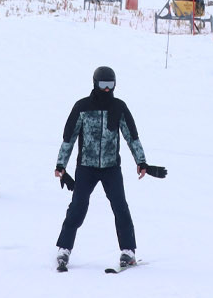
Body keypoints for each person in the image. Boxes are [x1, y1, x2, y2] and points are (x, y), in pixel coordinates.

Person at [54, 66, 149, 273]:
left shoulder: (119, 107)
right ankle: (64, 249)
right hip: (86, 168)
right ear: (95, 83)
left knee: (120, 207)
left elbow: (131, 136)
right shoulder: (82, 107)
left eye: (110, 85)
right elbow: (69, 137)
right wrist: (61, 164)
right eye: (103, 85)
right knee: (78, 207)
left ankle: (128, 250)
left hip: (111, 168)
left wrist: (141, 161)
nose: (107, 90)